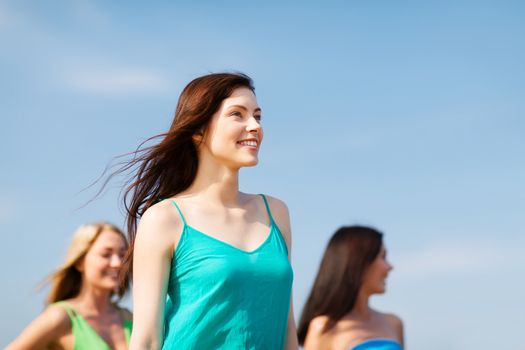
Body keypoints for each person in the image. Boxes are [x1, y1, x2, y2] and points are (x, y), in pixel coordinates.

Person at [117, 73, 296, 349]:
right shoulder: (165, 218)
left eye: (257, 117)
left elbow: (287, 329)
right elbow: (147, 340)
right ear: (198, 130)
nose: (254, 126)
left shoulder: (276, 213)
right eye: (238, 114)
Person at [6, 222, 132, 350]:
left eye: (123, 255)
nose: (117, 263)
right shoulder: (60, 317)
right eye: (106, 255)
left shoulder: (130, 319)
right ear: (79, 262)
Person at [297, 226, 403, 350]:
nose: (389, 267)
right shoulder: (324, 327)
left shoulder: (394, 323)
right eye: (383, 257)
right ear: (360, 262)